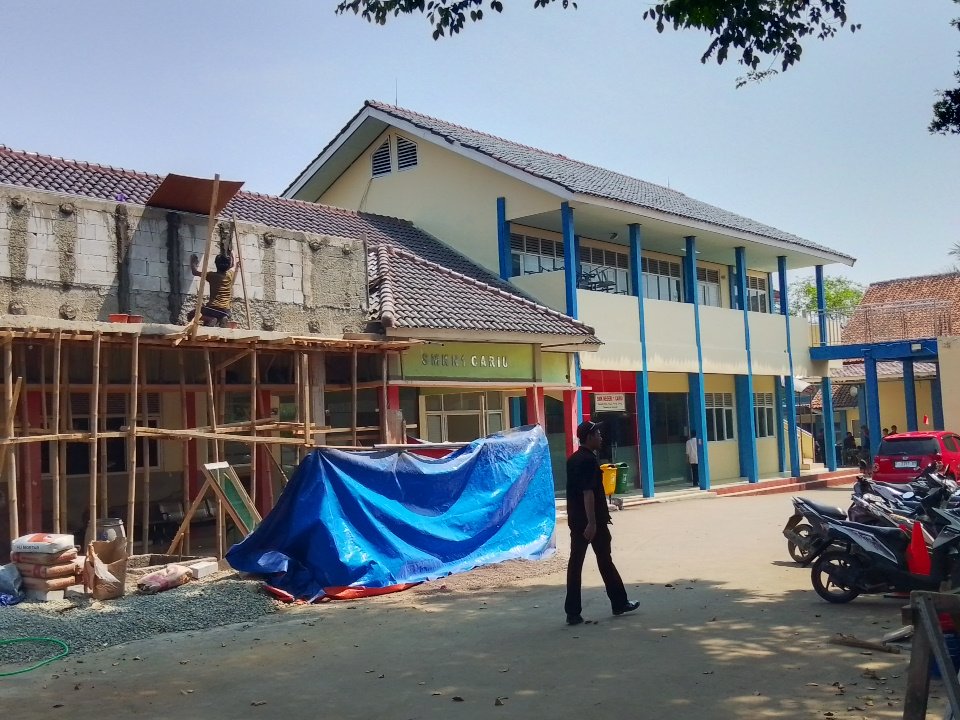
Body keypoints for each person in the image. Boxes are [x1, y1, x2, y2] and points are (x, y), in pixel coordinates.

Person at [564, 420, 639, 625]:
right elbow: (587, 492)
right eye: (597, 434)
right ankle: (619, 602)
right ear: (589, 437)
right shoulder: (588, 461)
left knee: (576, 565)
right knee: (604, 561)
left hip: (576, 520)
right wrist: (592, 523)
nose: (601, 437)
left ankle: (573, 612)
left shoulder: (573, 459)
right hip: (591, 522)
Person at [187, 253, 236, 326]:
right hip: (226, 311)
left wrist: (193, 262)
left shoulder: (211, 275)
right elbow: (234, 266)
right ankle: (221, 318)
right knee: (213, 318)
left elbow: (195, 272)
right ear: (228, 266)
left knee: (191, 315)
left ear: (216, 264)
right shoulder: (230, 275)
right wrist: (233, 254)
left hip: (213, 309)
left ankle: (210, 319)